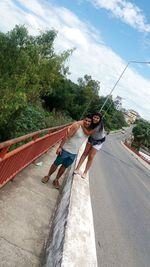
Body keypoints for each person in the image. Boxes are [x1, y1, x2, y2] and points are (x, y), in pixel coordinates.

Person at [41, 115, 95, 189]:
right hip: (65, 149)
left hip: (74, 153)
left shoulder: (88, 131)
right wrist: (60, 147)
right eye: (86, 120)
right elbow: (66, 136)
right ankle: (48, 176)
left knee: (64, 167)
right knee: (56, 164)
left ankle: (56, 180)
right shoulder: (77, 126)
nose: (87, 122)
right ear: (83, 120)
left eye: (89, 121)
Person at [74, 112, 106, 179]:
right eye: (94, 117)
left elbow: (88, 133)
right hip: (91, 139)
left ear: (100, 119)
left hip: (99, 141)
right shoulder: (90, 121)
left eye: (97, 118)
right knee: (85, 153)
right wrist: (77, 123)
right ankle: (77, 169)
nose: (95, 119)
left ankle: (85, 172)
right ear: (92, 117)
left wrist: (82, 125)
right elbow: (83, 121)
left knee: (91, 157)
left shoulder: (99, 126)